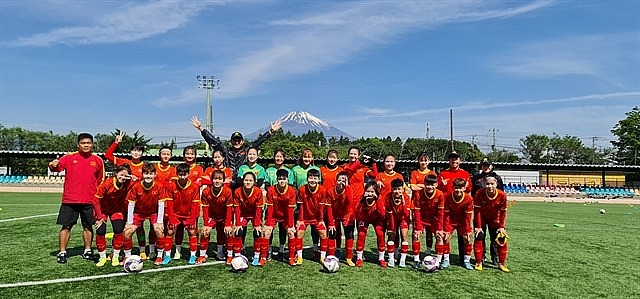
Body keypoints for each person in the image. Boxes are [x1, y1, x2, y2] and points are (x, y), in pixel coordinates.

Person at [49, 133, 105, 264]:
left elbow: (101, 180)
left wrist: (98, 198)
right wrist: (53, 164)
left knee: (88, 227)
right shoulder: (69, 158)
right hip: (70, 200)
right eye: (83, 143)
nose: (86, 145)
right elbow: (56, 168)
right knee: (66, 227)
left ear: (92, 144)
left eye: (88, 143)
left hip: (89, 200)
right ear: (78, 145)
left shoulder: (97, 160)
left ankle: (87, 251)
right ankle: (62, 252)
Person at [104, 131, 149, 259]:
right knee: (121, 228)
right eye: (134, 150)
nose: (136, 153)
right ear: (130, 152)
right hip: (123, 201)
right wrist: (116, 142)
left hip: (139, 202)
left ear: (142, 153)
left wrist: (138, 180)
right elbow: (107, 155)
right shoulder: (123, 162)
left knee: (139, 227)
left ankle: (142, 250)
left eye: (139, 151)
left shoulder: (145, 166)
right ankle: (115, 251)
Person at [190, 116, 282, 178]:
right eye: (234, 140)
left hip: (240, 181)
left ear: (242, 142)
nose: (236, 142)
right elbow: (213, 141)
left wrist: (270, 132)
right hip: (226, 180)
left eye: (239, 140)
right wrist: (201, 129)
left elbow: (258, 142)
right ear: (231, 141)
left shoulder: (247, 151)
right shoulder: (225, 151)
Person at [122, 163, 170, 266]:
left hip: (153, 213)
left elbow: (161, 204)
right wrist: (129, 222)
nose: (148, 176)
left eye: (151, 173)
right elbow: (131, 204)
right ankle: (127, 256)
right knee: (127, 232)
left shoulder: (159, 186)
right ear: (142, 174)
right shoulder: (136, 187)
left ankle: (159, 256)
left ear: (155, 174)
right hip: (138, 213)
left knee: (159, 230)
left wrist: (160, 222)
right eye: (146, 173)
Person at [93, 164, 132, 267]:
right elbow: (96, 200)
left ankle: (115, 256)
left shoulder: (128, 182)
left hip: (117, 210)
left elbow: (141, 181)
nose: (123, 177)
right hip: (103, 210)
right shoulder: (107, 184)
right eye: (121, 174)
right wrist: (99, 217)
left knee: (118, 230)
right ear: (116, 174)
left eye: (126, 175)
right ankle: (102, 257)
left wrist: (133, 178)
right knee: (100, 230)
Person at [294, 169, 335, 265]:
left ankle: (322, 257)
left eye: (315, 178)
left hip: (317, 218)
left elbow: (321, 207)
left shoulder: (322, 190)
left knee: (323, 233)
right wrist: (300, 220)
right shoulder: (302, 189)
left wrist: (321, 220)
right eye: (310, 178)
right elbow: (301, 206)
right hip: (304, 217)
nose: (312, 180)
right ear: (307, 179)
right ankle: (299, 256)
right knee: (299, 233)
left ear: (318, 179)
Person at [164, 163, 201, 265]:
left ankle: (193, 255)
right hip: (175, 214)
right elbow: (169, 203)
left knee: (192, 232)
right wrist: (171, 218)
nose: (182, 176)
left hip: (189, 215)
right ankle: (167, 255)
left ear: (188, 174)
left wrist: (191, 219)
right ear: (177, 174)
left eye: (184, 174)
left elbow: (195, 205)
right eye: (180, 174)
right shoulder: (171, 186)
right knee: (170, 231)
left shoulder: (194, 187)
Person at [173, 146, 204, 260]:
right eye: (187, 153)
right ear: (183, 155)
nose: (189, 156)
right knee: (178, 229)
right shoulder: (178, 168)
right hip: (178, 205)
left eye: (192, 153)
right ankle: (177, 251)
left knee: (193, 229)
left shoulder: (199, 169)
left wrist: (197, 183)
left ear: (195, 156)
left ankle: (193, 252)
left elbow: (203, 181)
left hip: (192, 205)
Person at [473, 176, 510, 272]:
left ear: (496, 184)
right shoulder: (479, 193)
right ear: (484, 184)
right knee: (479, 236)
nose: (490, 186)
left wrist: (501, 227)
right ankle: (479, 261)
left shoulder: (502, 195)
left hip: (495, 219)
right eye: (487, 184)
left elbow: (503, 212)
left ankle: (501, 263)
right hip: (482, 219)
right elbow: (477, 211)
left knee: (501, 238)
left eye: (492, 184)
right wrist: (478, 226)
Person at [198, 170, 234, 264]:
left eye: (220, 179)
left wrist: (227, 224)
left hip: (224, 215)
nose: (217, 181)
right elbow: (205, 209)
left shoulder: (228, 191)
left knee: (228, 232)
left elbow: (229, 209)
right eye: (215, 179)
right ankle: (202, 255)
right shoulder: (206, 191)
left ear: (223, 180)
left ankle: (227, 255)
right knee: (205, 232)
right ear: (211, 180)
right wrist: (206, 224)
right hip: (212, 215)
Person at [264, 169, 297, 266]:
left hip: (286, 217)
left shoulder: (291, 191)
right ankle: (265, 254)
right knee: (267, 232)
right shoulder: (270, 190)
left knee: (291, 232)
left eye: (284, 179)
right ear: (276, 179)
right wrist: (267, 224)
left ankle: (290, 257)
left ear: (287, 179)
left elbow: (291, 210)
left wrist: (291, 225)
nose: (282, 181)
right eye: (280, 179)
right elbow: (269, 208)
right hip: (273, 216)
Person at [411, 174, 445, 269]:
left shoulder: (440, 194)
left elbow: (440, 213)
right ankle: (416, 260)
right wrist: (418, 227)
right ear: (424, 184)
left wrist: (439, 228)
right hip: (421, 218)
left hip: (434, 219)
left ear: (436, 184)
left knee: (439, 237)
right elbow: (417, 211)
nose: (430, 186)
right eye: (427, 184)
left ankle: (438, 261)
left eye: (432, 184)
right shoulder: (418, 194)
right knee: (415, 235)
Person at [231, 172, 265, 266]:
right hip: (243, 214)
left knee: (257, 232)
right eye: (246, 180)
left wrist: (257, 224)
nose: (248, 182)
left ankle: (256, 255)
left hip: (254, 214)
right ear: (243, 181)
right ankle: (237, 255)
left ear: (254, 182)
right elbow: (237, 209)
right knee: (238, 231)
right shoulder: (238, 191)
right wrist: (238, 223)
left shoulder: (258, 191)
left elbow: (258, 210)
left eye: (250, 180)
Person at [442, 178, 474, 270]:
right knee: (446, 237)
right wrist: (446, 229)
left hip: (463, 222)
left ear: (464, 188)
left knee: (467, 238)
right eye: (456, 188)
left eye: (460, 188)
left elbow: (468, 217)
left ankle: (466, 261)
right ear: (453, 188)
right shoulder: (448, 197)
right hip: (451, 221)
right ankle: (446, 260)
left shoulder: (469, 199)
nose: (458, 190)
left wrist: (468, 230)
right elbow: (446, 214)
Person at [354, 182, 386, 267]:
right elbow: (357, 213)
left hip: (377, 219)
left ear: (376, 192)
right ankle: (359, 257)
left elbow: (382, 214)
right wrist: (362, 201)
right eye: (368, 191)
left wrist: (377, 199)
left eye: (372, 192)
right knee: (361, 234)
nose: (370, 194)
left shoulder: (380, 198)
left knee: (380, 234)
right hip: (364, 219)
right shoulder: (362, 199)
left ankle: (381, 258)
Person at [327, 171, 355, 266]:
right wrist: (330, 222)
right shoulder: (330, 191)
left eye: (344, 180)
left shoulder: (349, 189)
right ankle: (331, 255)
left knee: (349, 235)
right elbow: (329, 208)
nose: (341, 182)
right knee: (332, 233)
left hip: (347, 215)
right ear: (336, 181)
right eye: (339, 180)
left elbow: (351, 203)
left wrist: (347, 187)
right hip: (334, 215)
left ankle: (349, 258)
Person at [384, 179, 412, 268]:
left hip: (403, 218)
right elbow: (389, 213)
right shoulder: (388, 197)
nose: (397, 191)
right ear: (391, 189)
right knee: (391, 235)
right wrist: (391, 228)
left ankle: (402, 260)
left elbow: (406, 214)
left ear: (403, 189)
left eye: (399, 189)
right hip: (392, 218)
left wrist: (403, 203)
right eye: (395, 189)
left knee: (404, 236)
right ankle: (392, 258)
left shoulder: (406, 197)